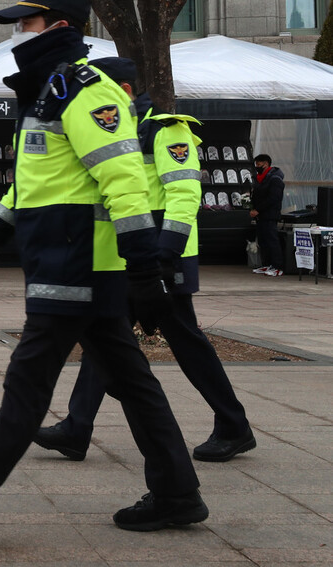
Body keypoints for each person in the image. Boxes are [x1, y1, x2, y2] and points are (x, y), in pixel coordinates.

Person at [0, 0, 206, 542]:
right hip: (64, 261)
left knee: (27, 381)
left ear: (59, 26)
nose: (19, 33)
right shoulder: (48, 92)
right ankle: (177, 493)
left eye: (27, 23)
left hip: (77, 264)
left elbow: (124, 181)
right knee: (133, 381)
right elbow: (31, 186)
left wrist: (143, 263)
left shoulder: (86, 90)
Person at [33, 57, 255, 467]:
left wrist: (165, 256)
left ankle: (234, 425)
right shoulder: (124, 131)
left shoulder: (167, 129)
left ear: (125, 91)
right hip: (133, 258)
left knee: (185, 342)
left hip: (162, 258)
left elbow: (184, 195)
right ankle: (77, 427)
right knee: (108, 337)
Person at [250, 154, 285, 277]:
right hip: (260, 216)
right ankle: (267, 264)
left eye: (259, 165)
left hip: (270, 215)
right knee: (263, 241)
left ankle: (277, 266)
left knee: (272, 240)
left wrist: (258, 209)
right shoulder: (260, 178)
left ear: (266, 164)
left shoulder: (275, 179)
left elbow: (274, 198)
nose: (257, 167)